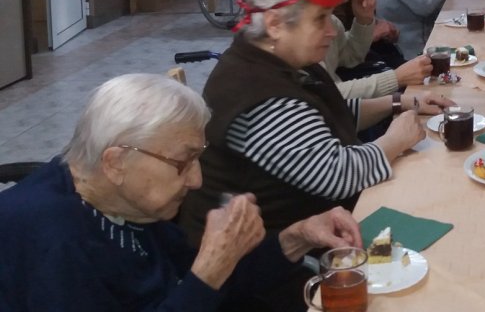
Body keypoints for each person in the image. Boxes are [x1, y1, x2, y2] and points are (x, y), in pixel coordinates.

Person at [0, 73, 364, 312]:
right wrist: (209, 271)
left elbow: (202, 284)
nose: (196, 181)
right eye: (183, 162)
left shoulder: (129, 203)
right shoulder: (50, 242)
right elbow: (199, 284)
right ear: (116, 163)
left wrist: (297, 237)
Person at [177, 0, 452, 242]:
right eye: (320, 19)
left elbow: (328, 113)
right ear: (274, 24)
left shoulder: (274, 58)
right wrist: (395, 140)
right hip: (260, 254)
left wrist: (400, 102)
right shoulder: (258, 94)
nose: (332, 31)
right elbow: (337, 175)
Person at [288, 0, 431, 100]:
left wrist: (364, 21)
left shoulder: (332, 21)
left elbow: (351, 57)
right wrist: (397, 77)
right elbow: (330, 95)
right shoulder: (304, 32)